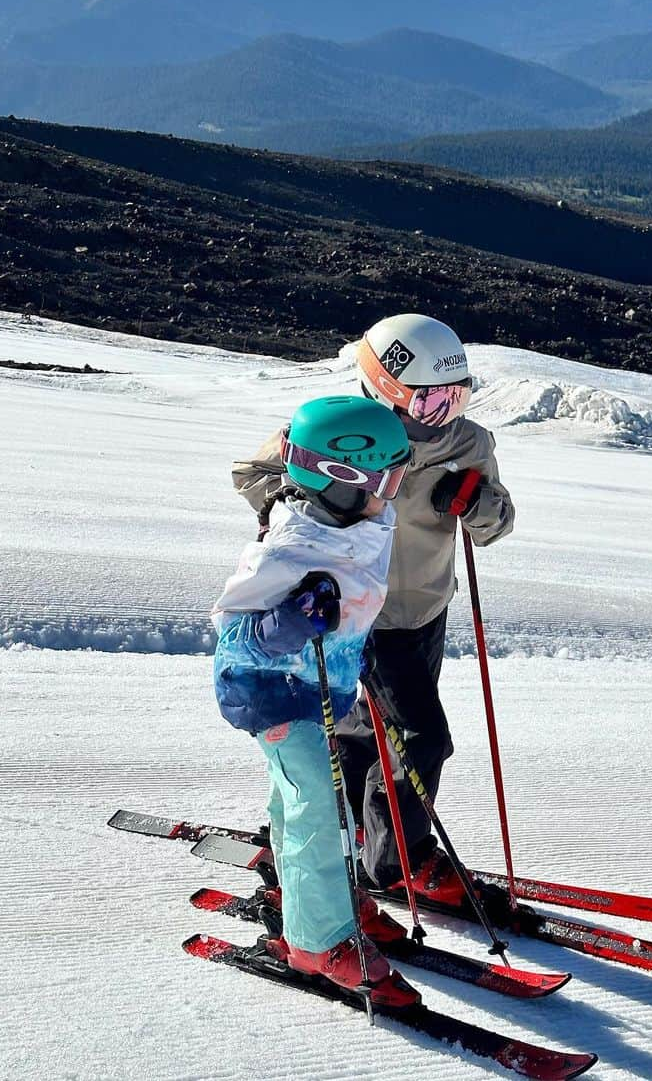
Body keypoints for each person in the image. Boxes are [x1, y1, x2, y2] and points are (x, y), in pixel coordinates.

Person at [232, 314, 515, 904]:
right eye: (430, 401)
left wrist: (475, 502)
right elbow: (255, 474)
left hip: (423, 609)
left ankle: (356, 826)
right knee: (421, 736)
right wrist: (306, 501)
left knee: (368, 726)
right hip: (358, 612)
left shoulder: (468, 443)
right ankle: (395, 862)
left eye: (456, 398)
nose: (445, 415)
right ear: (385, 388)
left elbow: (496, 523)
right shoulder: (340, 430)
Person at [211, 394, 418, 1007]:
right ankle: (317, 941)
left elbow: (358, 593)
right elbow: (233, 640)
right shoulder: (290, 549)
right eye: (388, 478)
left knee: (302, 800)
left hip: (324, 685)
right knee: (320, 812)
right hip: (272, 695)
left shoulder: (355, 524)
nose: (395, 491)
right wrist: (287, 626)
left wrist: (354, 644)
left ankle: (310, 894)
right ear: (344, 482)